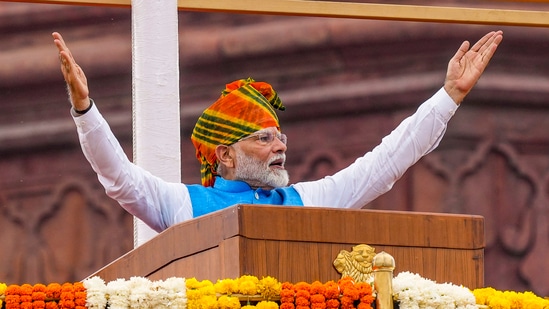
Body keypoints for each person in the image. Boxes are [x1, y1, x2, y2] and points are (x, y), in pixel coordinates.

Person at [52, 30, 503, 233]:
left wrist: (448, 97)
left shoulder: (308, 201)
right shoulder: (182, 204)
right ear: (225, 156)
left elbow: (387, 161)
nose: (280, 144)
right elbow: (119, 177)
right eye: (263, 138)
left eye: (280, 135)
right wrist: (84, 108)